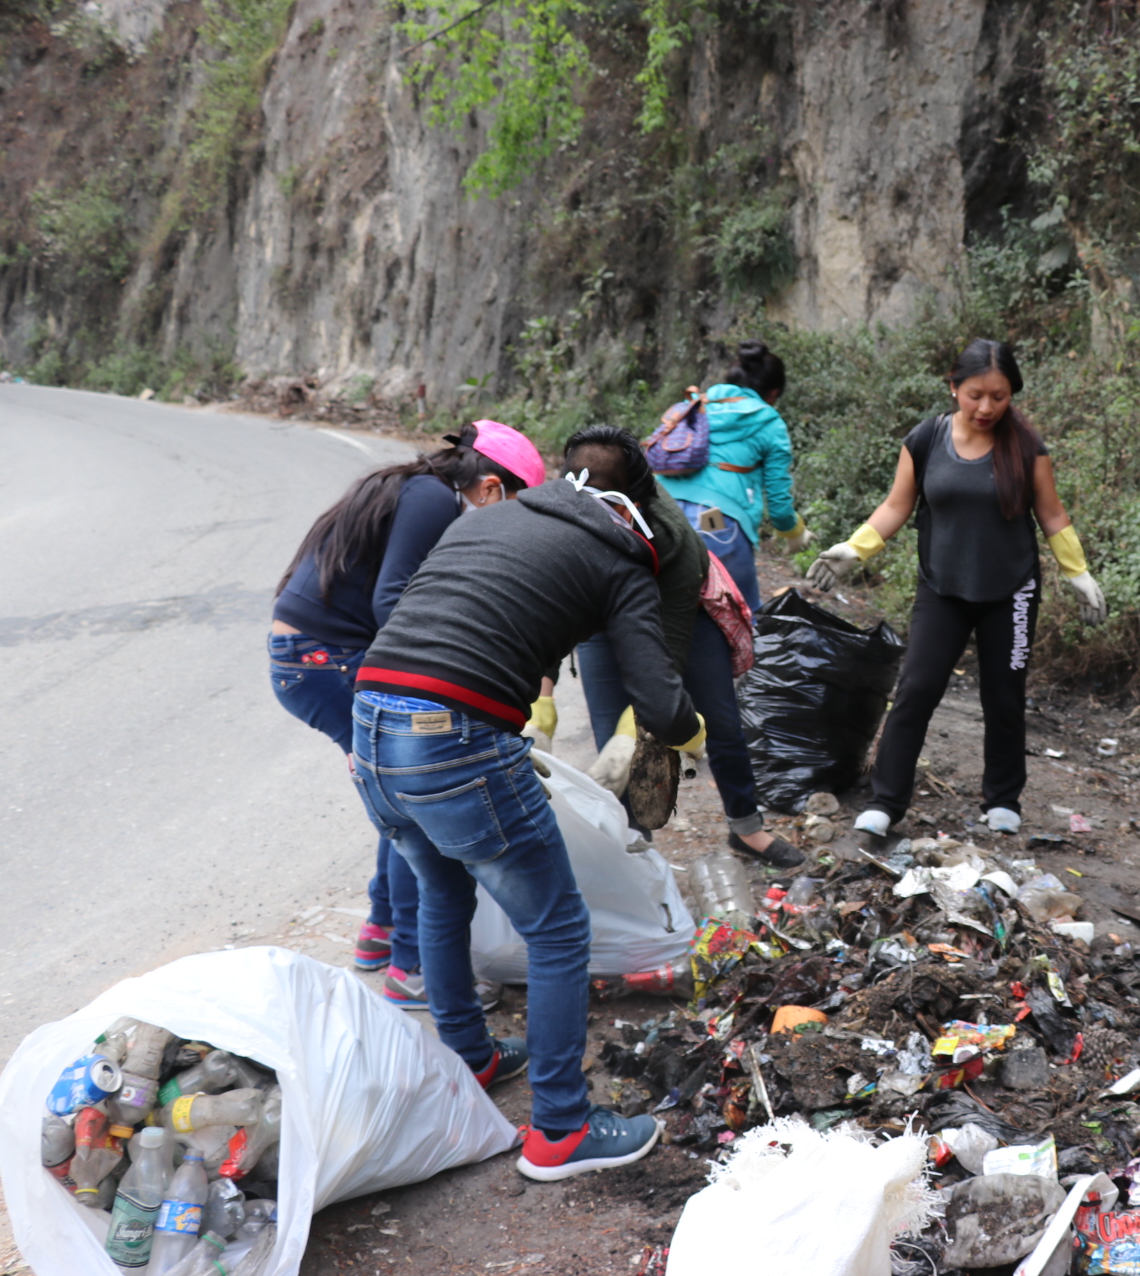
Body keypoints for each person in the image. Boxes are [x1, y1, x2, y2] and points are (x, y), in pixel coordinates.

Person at [352, 448, 704, 1180]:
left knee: (442, 890)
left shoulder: (495, 514)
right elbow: (662, 702)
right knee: (557, 926)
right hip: (454, 739)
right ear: (635, 506)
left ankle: (467, 1061)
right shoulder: (620, 556)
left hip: (372, 722)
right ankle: (561, 1132)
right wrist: (687, 725)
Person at [269, 420, 543, 1010]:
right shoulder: (430, 499)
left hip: (315, 660)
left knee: (395, 797)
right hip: (328, 662)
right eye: (512, 511)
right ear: (490, 490)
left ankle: (380, 931)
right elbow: (394, 600)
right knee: (412, 805)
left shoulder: (419, 489)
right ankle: (413, 967)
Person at [808, 338, 1107, 837]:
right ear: (953, 388)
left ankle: (1003, 800)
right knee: (917, 690)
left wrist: (1076, 571)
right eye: (975, 395)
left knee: (1003, 695)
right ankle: (886, 802)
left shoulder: (1028, 447)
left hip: (1011, 591)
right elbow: (896, 506)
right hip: (941, 587)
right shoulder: (926, 439)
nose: (987, 407)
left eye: (1000, 396)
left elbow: (1052, 515)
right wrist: (854, 549)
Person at [566, 426, 805, 868]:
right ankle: (635, 851)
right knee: (615, 749)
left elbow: (668, 650)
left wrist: (648, 716)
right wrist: (542, 694)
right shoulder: (562, 516)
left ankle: (746, 829)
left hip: (682, 614)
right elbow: (545, 613)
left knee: (721, 723)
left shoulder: (670, 534)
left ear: (637, 497)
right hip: (601, 620)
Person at [654, 338, 811, 614]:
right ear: (773, 393)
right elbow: (779, 506)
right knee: (740, 620)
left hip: (657, 515)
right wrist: (796, 533)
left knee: (662, 615)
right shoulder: (769, 421)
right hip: (715, 523)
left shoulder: (692, 406)